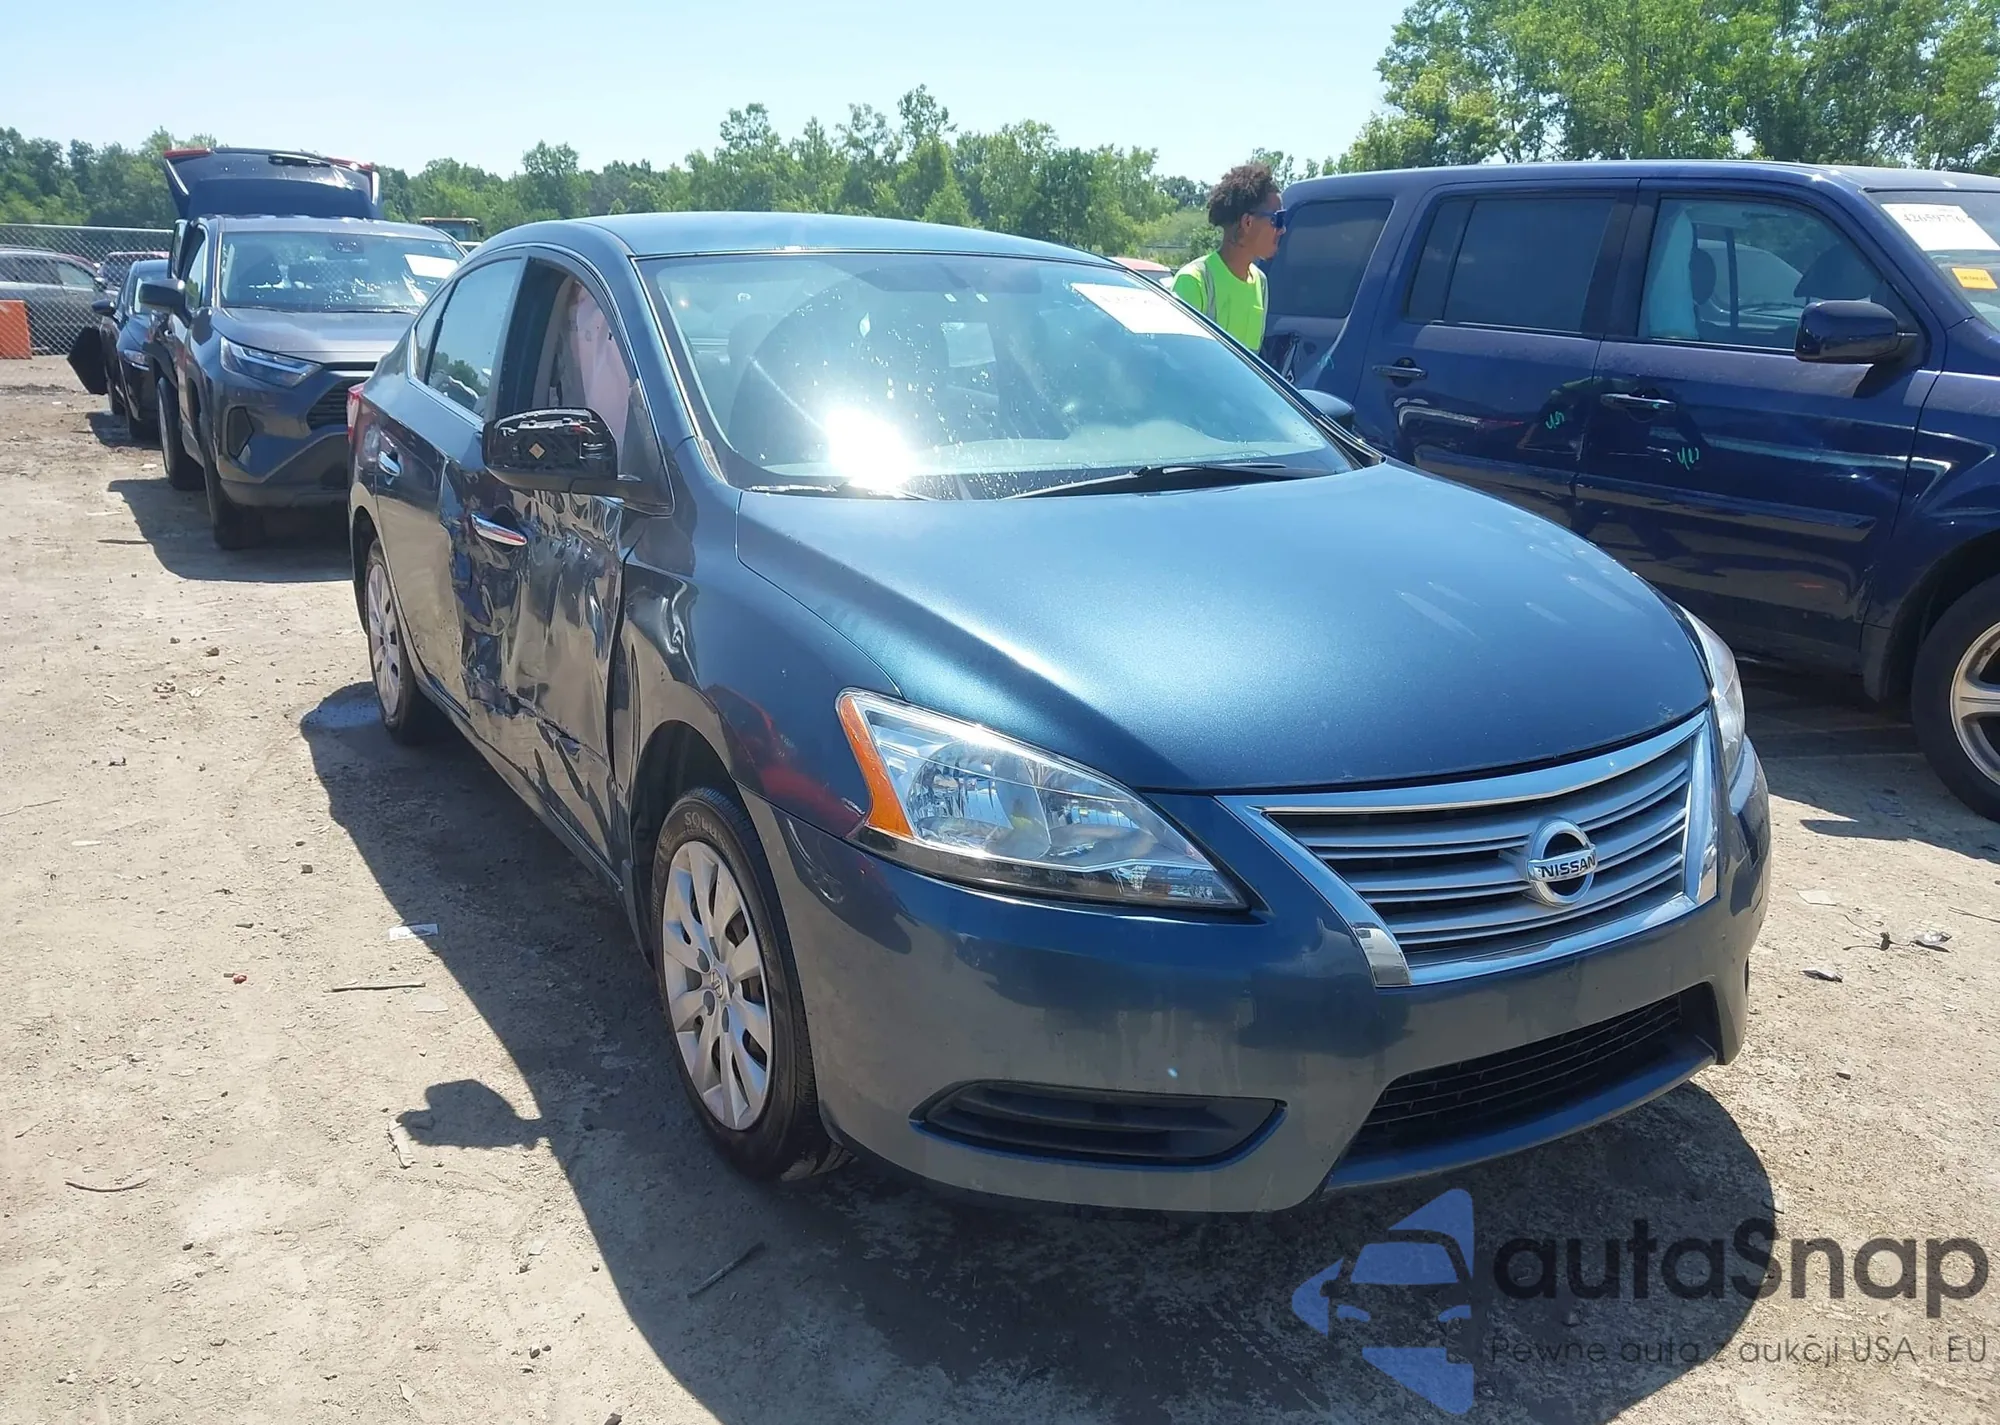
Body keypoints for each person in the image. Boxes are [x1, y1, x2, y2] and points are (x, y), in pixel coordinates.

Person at [1172, 162, 1287, 352]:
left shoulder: (1261, 283)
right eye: (1278, 219)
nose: (1282, 230)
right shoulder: (1194, 282)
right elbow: (1176, 357)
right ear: (1248, 222)